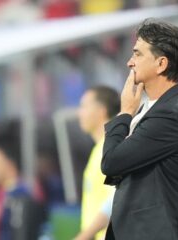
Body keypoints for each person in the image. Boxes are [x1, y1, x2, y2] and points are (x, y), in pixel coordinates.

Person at [101, 19, 178, 240]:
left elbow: (111, 162)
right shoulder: (156, 106)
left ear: (161, 64)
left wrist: (125, 113)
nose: (130, 62)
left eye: (137, 54)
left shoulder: (173, 113)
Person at [74, 86, 120, 240]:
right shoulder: (98, 150)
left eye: (84, 107)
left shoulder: (110, 149)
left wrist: (84, 236)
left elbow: (116, 200)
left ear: (101, 111)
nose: (79, 113)